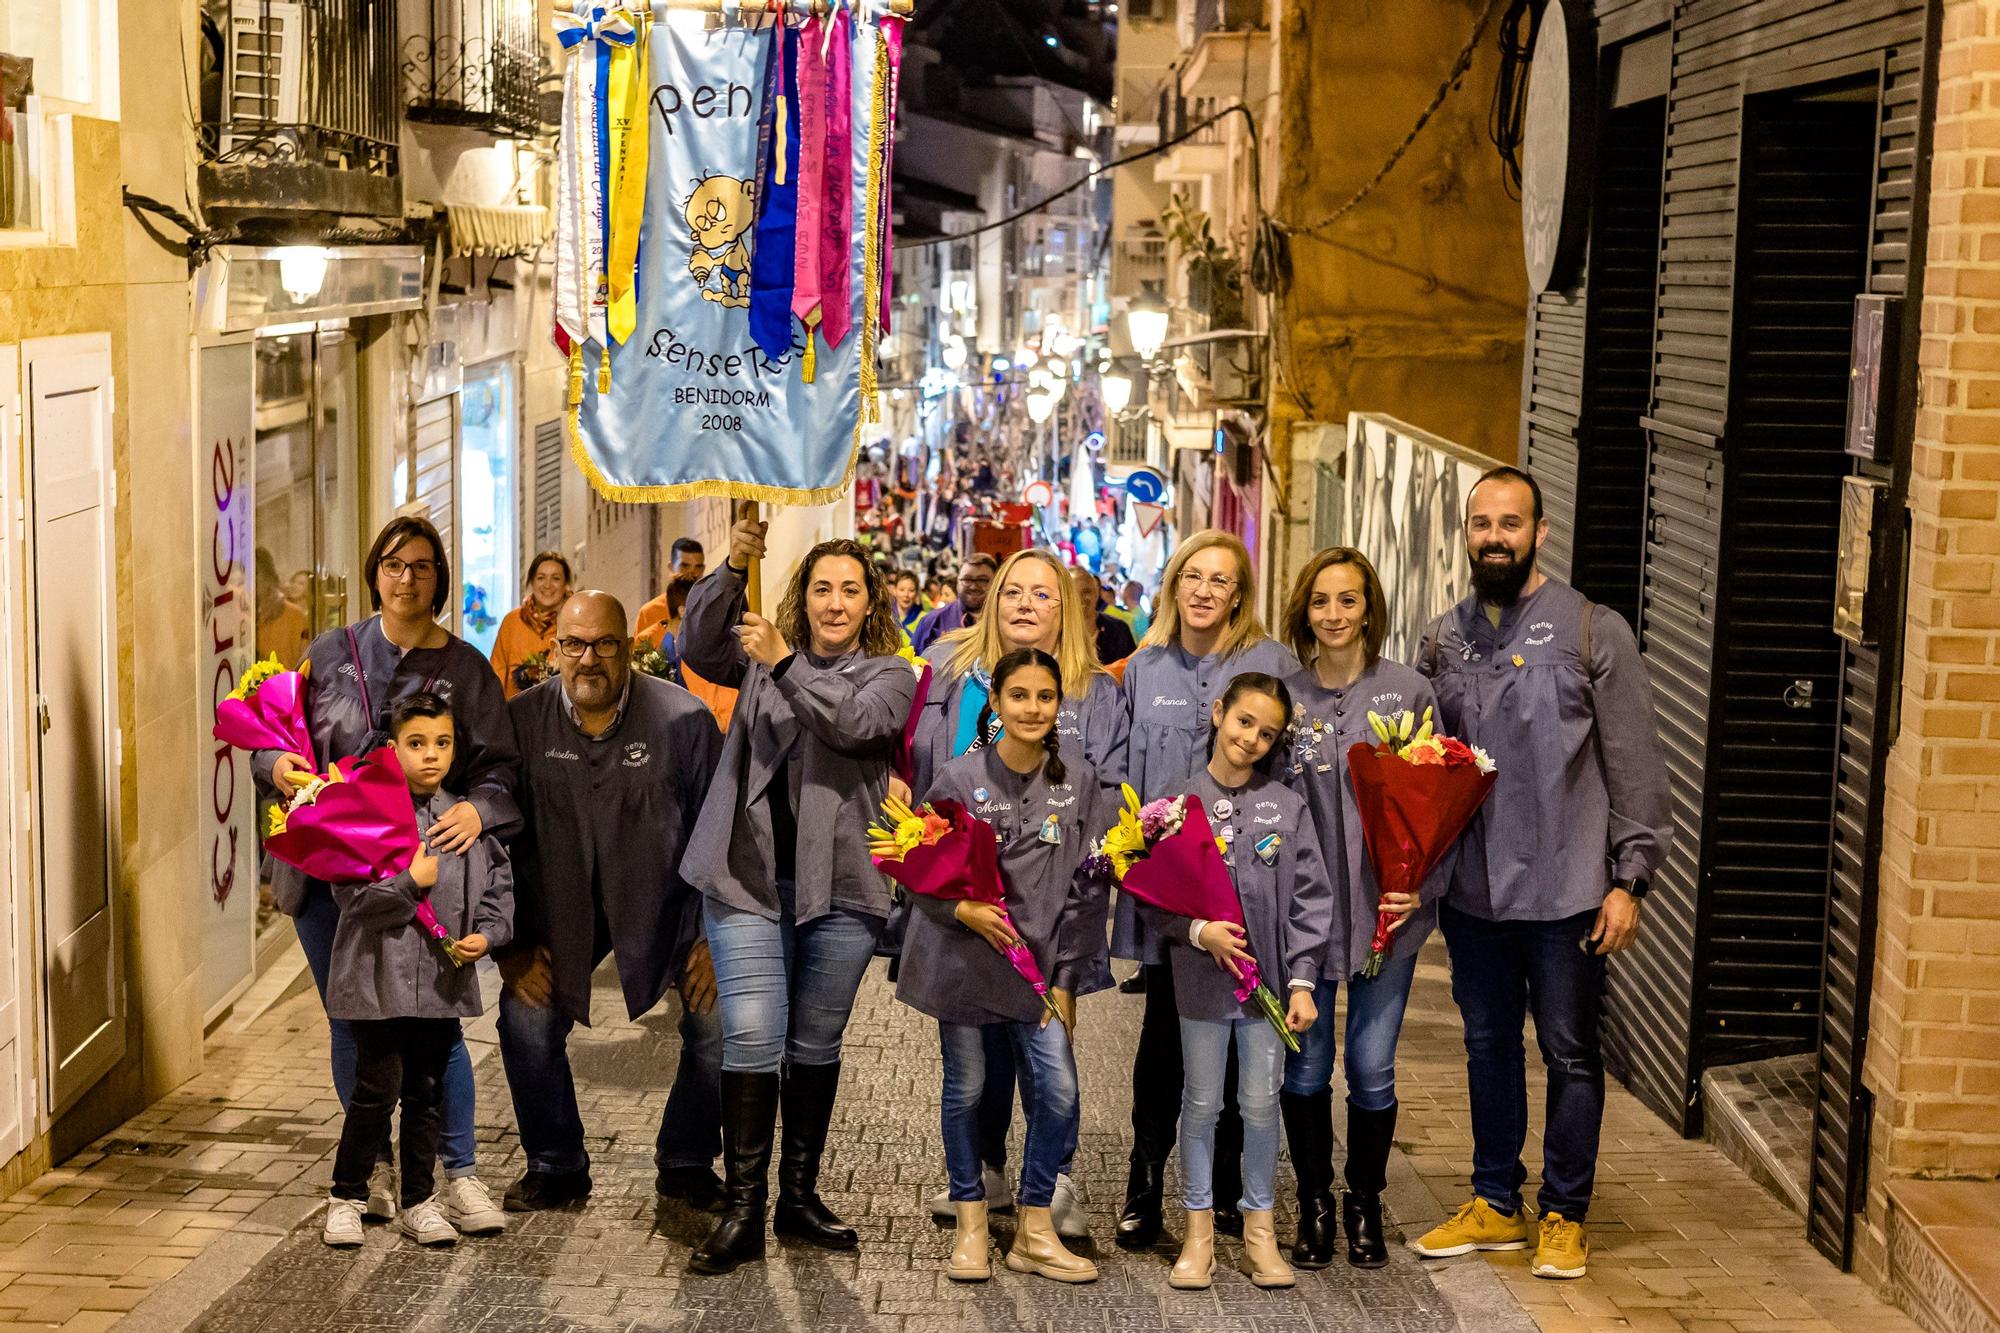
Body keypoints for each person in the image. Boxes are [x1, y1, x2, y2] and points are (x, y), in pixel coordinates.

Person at [1410, 466, 1672, 1281]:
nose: (1495, 536)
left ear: (1540, 532)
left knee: (1568, 1050)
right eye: (1482, 523)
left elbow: (1636, 764)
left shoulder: (1593, 630)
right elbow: (1423, 765)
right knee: (1487, 1045)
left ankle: (1564, 1212)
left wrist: (1631, 878)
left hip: (1568, 892)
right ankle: (1495, 1199)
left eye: (1510, 522)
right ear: (1467, 533)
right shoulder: (1442, 639)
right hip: (1476, 890)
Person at [258, 516, 517, 1234]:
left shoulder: (466, 669)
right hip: (331, 882)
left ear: (440, 577)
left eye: (424, 566)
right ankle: (370, 1171)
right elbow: (277, 741)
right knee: (355, 1022)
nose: (408, 577)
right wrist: (275, 765)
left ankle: (455, 1175)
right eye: (396, 564)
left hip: (430, 872)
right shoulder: (330, 652)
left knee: (440, 1029)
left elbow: (501, 770)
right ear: (375, 571)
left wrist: (478, 809)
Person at [677, 521, 919, 1275]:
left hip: (841, 886)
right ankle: (744, 1207)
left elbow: (856, 724)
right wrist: (735, 563)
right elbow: (698, 641)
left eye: (850, 588)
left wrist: (784, 662)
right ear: (802, 596)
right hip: (747, 879)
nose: (835, 601)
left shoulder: (891, 673)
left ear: (870, 599)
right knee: (751, 1035)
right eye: (822, 587)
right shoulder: (759, 658)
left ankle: (798, 1196)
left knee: (815, 1044)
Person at [906, 547, 1128, 1239]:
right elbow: (923, 779)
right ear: (992, 601)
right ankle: (985, 1171)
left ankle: (1052, 1183)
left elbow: (1110, 790)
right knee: (977, 1057)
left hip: (1050, 907)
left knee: (1046, 1052)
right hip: (968, 912)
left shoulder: (1096, 691)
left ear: (1066, 606)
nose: (1027, 604)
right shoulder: (947, 673)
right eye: (1013, 592)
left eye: (1043, 593)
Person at [499, 592, 726, 1213]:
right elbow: (495, 845)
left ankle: (686, 1159)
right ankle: (555, 1163)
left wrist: (714, 938)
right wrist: (512, 946)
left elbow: (722, 834)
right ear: (555, 651)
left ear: (630, 648)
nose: (589, 659)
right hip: (556, 908)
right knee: (525, 1018)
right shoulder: (518, 726)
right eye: (574, 645)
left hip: (666, 904)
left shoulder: (684, 722)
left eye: (605, 644)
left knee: (720, 1022)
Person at [1114, 530, 1299, 1250]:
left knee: (1240, 1034)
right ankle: (1143, 1185)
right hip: (1172, 897)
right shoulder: (1144, 667)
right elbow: (1126, 778)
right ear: (1173, 583)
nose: (1203, 590)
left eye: (1220, 580)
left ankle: (1227, 1188)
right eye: (1192, 575)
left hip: (1250, 890)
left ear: (1239, 593)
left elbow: (1292, 771)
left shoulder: (1271, 664)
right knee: (1165, 1039)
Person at [1276, 548, 1440, 1268]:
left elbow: (1443, 797)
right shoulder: (1285, 696)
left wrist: (1421, 881)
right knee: (1306, 1068)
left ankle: (1364, 1201)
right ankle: (1313, 1204)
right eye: (1320, 601)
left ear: (1369, 607)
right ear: (1304, 610)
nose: (1334, 615)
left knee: (1372, 1067)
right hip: (1305, 923)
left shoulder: (1410, 691)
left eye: (1347, 600)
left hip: (1386, 915)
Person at [1145, 672, 1331, 1291]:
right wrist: (1200, 932)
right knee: (1201, 1104)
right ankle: (1198, 1232)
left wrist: (1303, 980)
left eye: (1267, 733)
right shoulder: (1172, 805)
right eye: (1244, 721)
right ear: (1219, 714)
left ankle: (1259, 1230)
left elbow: (1311, 900)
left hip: (1269, 991)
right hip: (1200, 984)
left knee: (1259, 1105)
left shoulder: (1286, 805)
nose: (1251, 739)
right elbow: (1148, 895)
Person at [321, 693, 514, 1249]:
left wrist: (490, 933)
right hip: (374, 983)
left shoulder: (464, 820)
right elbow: (352, 897)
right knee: (376, 1090)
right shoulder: (367, 814)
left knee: (426, 1092)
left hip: (437, 984)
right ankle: (346, 1196)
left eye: (442, 743)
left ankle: (421, 1200)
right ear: (392, 746)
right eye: (416, 743)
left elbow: (498, 885)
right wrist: (410, 884)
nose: (430, 755)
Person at [490, 551, 573, 700]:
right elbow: (497, 675)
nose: (548, 585)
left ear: (566, 584)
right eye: (541, 578)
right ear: (531, 582)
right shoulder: (512, 621)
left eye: (556, 578)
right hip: (516, 714)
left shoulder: (574, 621)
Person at [910, 554, 995, 654]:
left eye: (982, 580)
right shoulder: (931, 621)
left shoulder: (1005, 623)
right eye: (967, 579)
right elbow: (912, 664)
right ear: (957, 583)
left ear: (995, 582)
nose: (973, 586)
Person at [255, 547, 311, 670]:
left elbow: (302, 668)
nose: (251, 583)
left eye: (256, 575)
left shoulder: (295, 616)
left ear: (269, 578)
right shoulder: (242, 614)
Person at [1069, 566, 1137, 666]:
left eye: (1086, 591)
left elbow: (1132, 672)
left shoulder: (1119, 630)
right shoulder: (1056, 632)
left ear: (1096, 593)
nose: (1081, 598)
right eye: (1074, 592)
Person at [891, 569, 924, 635]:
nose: (906, 595)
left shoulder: (924, 619)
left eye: (911, 590)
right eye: (902, 590)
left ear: (917, 592)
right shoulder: (885, 617)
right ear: (894, 590)